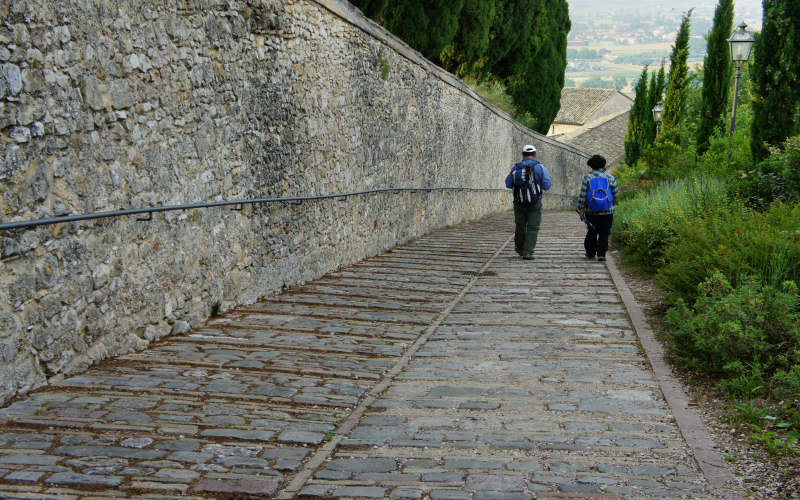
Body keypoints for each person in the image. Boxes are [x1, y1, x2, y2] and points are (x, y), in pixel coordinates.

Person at [505, 144, 552, 260]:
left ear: (522, 155)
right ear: (535, 155)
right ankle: (527, 251)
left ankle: (520, 248)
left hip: (519, 202)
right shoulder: (540, 167)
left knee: (520, 225)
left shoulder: (516, 167)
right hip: (535, 203)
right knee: (533, 227)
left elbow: (508, 184)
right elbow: (547, 185)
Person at [577, 154, 618, 261]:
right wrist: (615, 202)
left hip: (591, 211)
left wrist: (580, 209)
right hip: (607, 211)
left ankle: (590, 253)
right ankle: (601, 254)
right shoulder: (610, 177)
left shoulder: (588, 178)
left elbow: (583, 195)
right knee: (604, 232)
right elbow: (615, 192)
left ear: (591, 166)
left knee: (591, 232)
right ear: (603, 165)